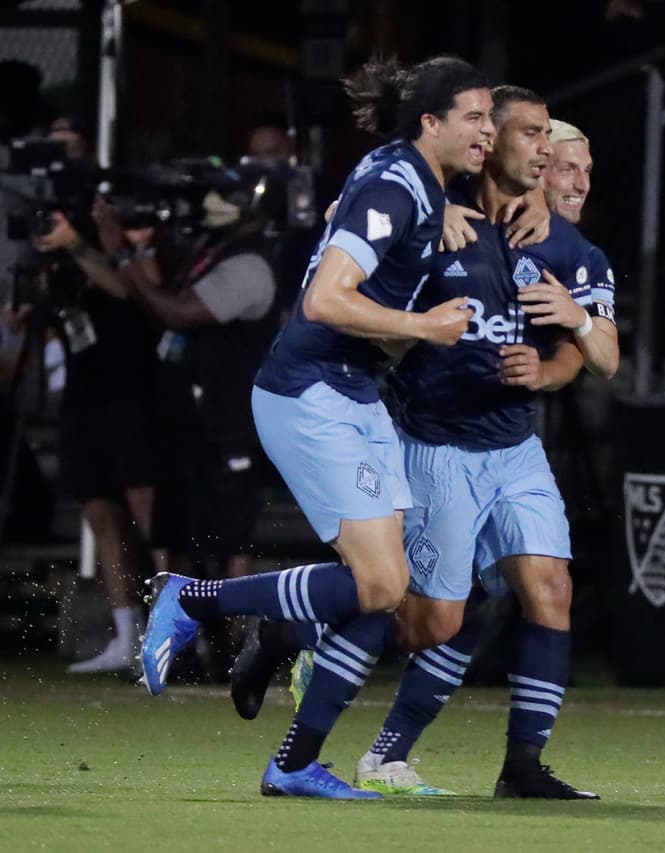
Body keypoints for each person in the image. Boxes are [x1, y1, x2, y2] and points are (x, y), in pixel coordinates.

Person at [235, 88, 613, 800]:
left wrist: (564, 350)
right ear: (502, 144)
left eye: (575, 165)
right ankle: (298, 630)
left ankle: (513, 765)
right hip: (430, 440)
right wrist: (427, 229)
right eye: (558, 160)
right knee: (421, 616)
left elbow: (599, 356)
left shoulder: (568, 247)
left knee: (544, 590)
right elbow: (341, 222)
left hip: (513, 445)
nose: (572, 179)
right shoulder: (441, 203)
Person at [139, 55, 489, 800]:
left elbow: (342, 212)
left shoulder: (406, 177)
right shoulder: (399, 186)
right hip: (308, 391)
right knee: (381, 581)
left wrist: (440, 212)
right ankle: (192, 599)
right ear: (432, 124)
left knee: (384, 592)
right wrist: (421, 324)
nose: (487, 131)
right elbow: (327, 298)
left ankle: (294, 760)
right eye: (475, 117)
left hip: (352, 391)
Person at [108, 172, 277, 668]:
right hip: (186, 419)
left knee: (230, 543)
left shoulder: (248, 262)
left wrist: (123, 256)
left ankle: (234, 654)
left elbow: (177, 313)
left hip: (227, 421)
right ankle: (177, 649)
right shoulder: (212, 249)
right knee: (174, 536)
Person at [24, 118, 158, 674]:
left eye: (68, 145)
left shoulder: (120, 211)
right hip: (85, 390)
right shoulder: (52, 223)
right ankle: (126, 636)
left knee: (149, 516)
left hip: (134, 388)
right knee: (100, 515)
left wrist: (81, 244)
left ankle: (186, 629)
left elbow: (130, 288)